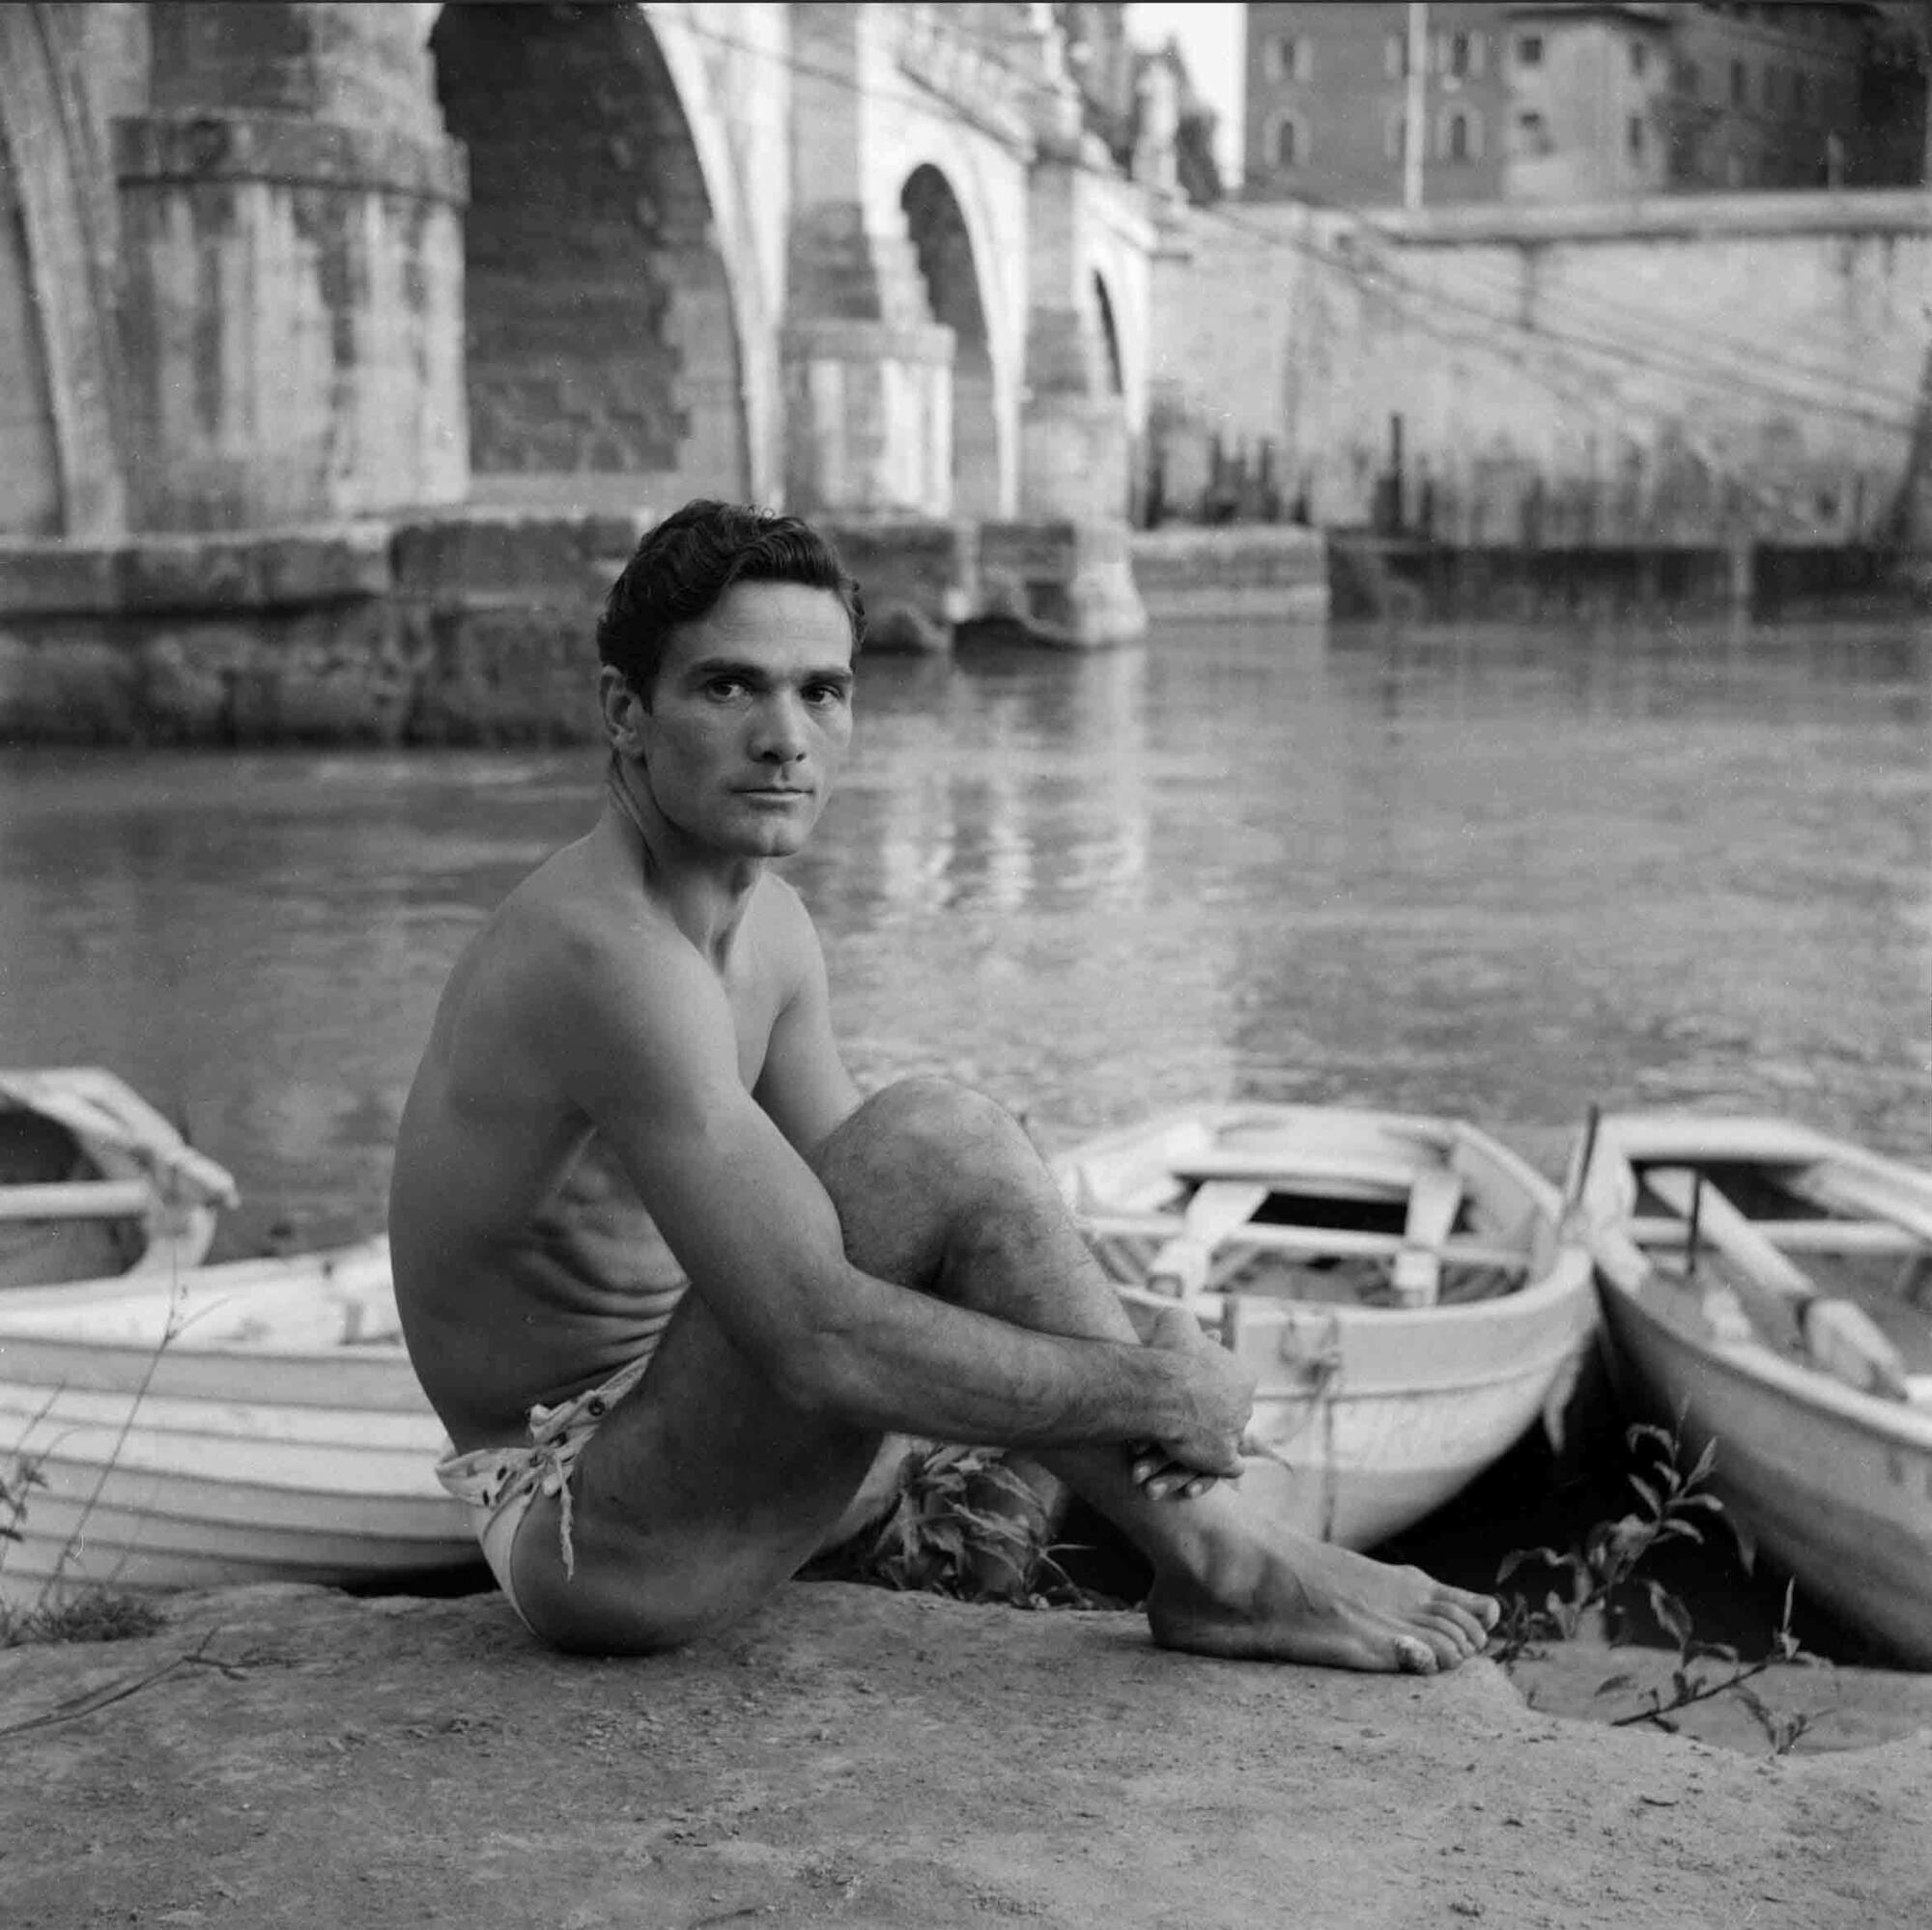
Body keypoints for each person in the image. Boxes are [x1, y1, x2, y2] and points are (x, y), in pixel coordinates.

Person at [390, 498, 1499, 1671]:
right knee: (944, 1137)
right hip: (592, 1531)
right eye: (729, 688)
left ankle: (1219, 1557)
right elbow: (817, 1337)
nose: (784, 736)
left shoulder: (766, 928)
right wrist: (1149, 1390)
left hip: (697, 1462)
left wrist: (1141, 1352)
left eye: (822, 690)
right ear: (626, 712)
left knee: (964, 1167)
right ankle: (1229, 1565)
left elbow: (896, 1229)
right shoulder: (599, 955)